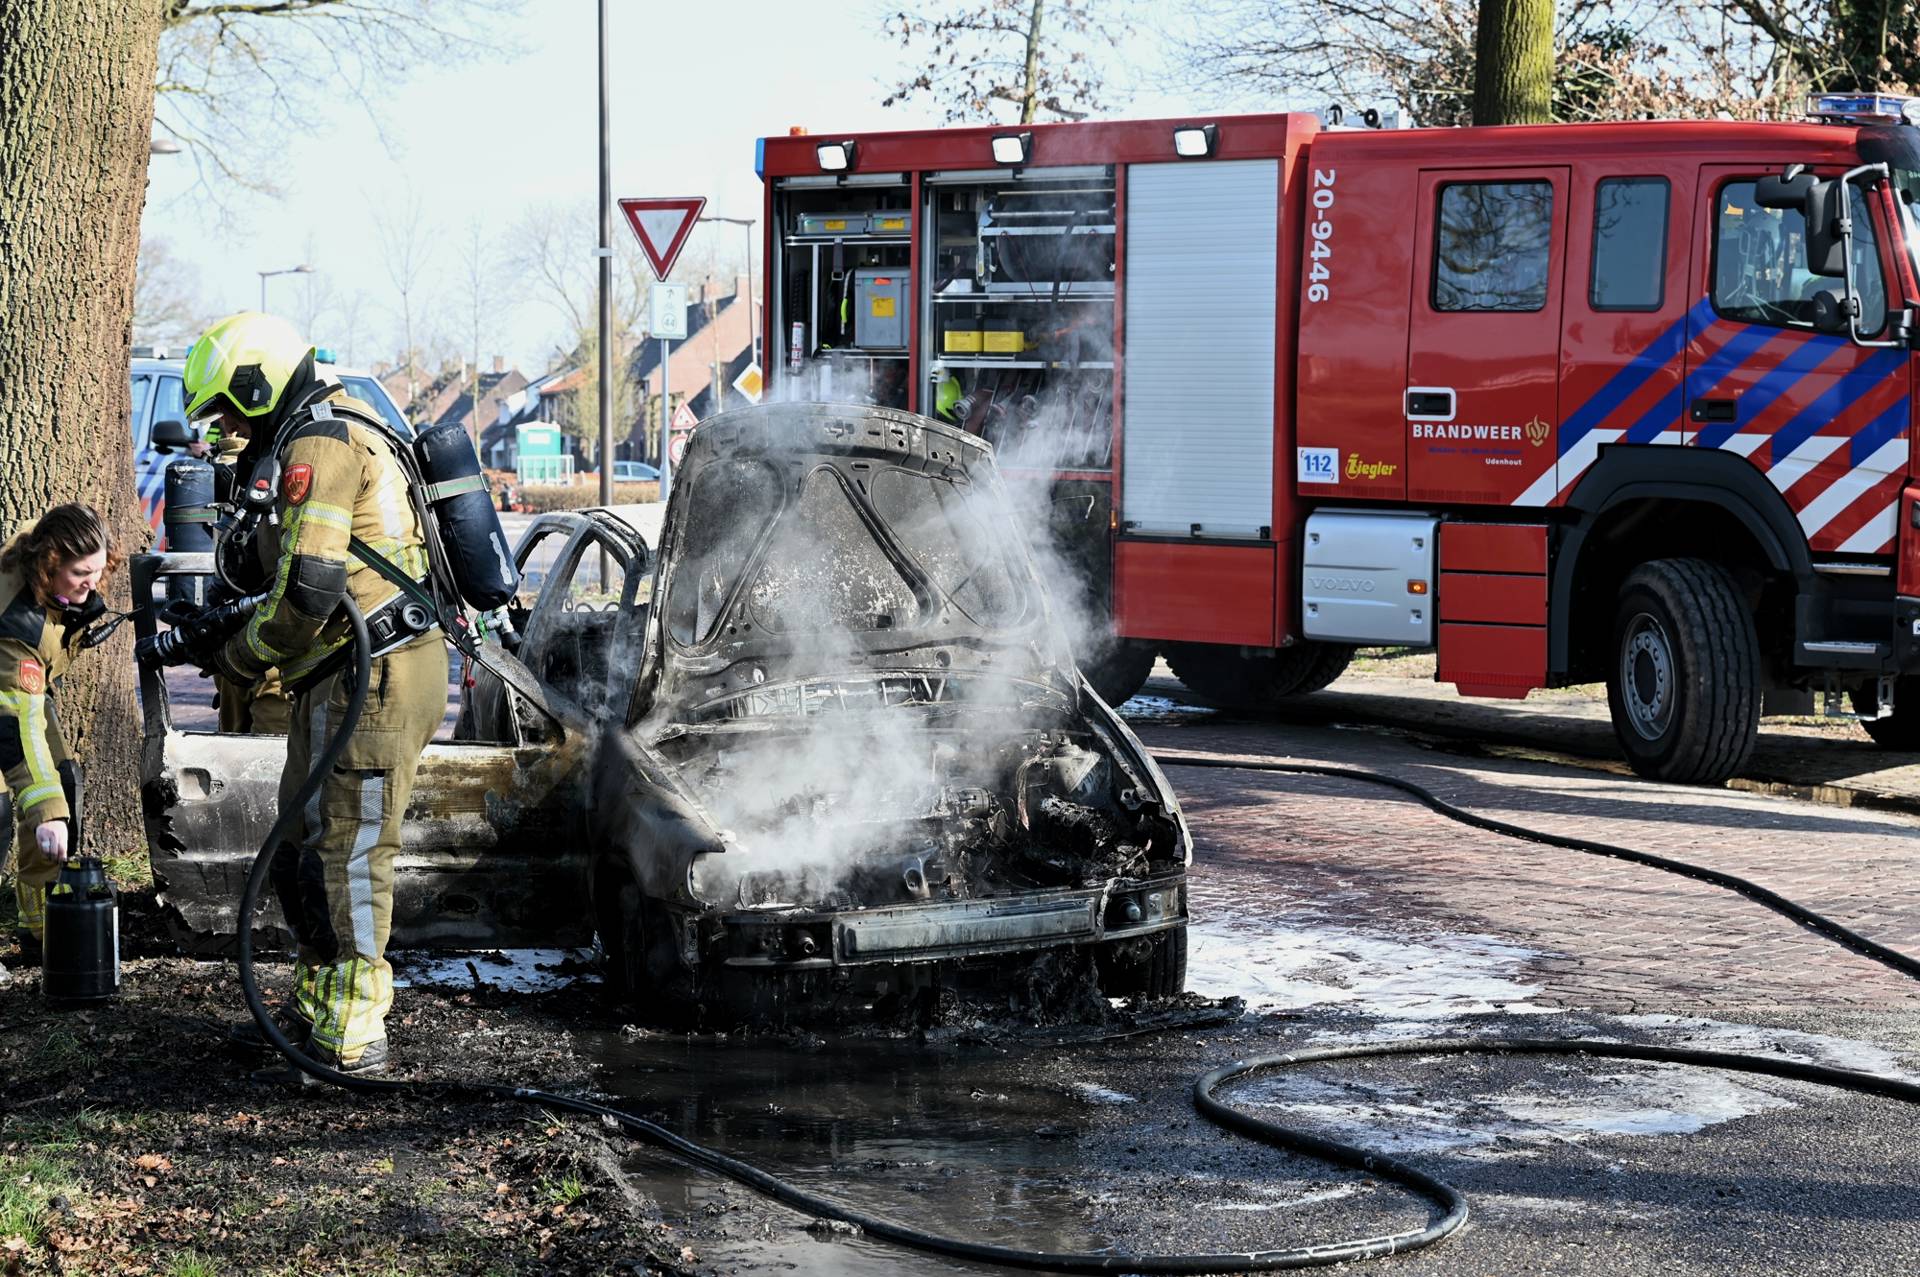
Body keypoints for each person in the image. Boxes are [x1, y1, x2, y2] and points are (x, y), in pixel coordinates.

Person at [179, 312, 446, 1079]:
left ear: (258, 384)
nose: (227, 428)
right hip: (340, 672)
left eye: (229, 408)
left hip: (378, 674)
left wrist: (235, 655)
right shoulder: (319, 428)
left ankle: (355, 1030)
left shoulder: (321, 442)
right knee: (300, 842)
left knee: (352, 851)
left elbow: (308, 590)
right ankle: (320, 1000)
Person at [0, 505, 119, 959]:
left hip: (19, 693)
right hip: (8, 696)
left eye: (97, 570)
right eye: (80, 574)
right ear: (48, 565)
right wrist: (46, 812)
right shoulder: (17, 623)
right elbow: (19, 725)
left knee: (61, 783)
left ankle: (40, 927)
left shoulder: (47, 541)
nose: (92, 583)